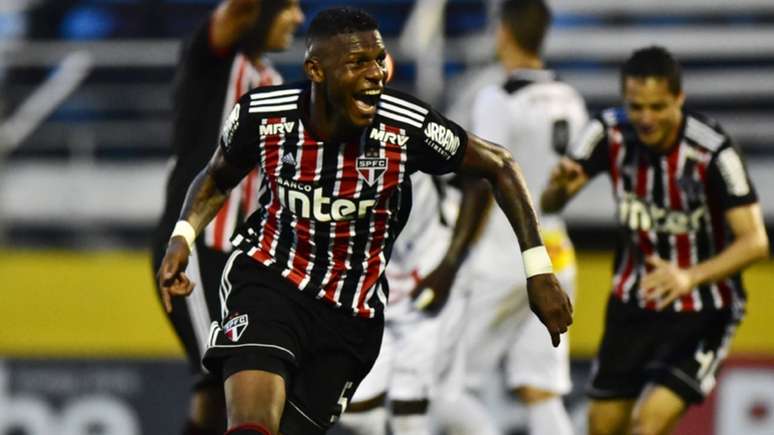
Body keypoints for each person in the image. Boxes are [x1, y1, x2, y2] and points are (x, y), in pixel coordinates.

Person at [157, 7, 572, 435]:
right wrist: (182, 237)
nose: (376, 73)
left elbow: (499, 165)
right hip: (269, 280)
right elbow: (215, 177)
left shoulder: (405, 126)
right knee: (252, 423)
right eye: (358, 63)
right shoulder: (264, 115)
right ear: (315, 70)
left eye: (379, 59)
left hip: (350, 310)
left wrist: (537, 270)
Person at [541, 46, 770, 435]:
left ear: (679, 98)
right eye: (636, 106)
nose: (646, 118)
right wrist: (557, 189)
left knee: (648, 427)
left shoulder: (712, 149)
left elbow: (755, 242)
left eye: (657, 107)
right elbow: (551, 202)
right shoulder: (607, 131)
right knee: (602, 428)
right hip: (633, 303)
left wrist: (689, 277)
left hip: (702, 309)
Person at [150, 1, 304, 434]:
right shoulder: (213, 62)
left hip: (239, 255)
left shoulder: (273, 83)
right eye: (288, 7)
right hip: (195, 244)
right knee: (232, 375)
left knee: (218, 390)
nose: (297, 17)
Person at [448, 1, 586, 434]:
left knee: (444, 383)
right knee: (540, 390)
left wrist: (452, 256)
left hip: (501, 253)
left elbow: (487, 181)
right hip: (557, 251)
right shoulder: (570, 97)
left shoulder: (498, 97)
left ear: (503, 31)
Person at [340, 171, 490, 435]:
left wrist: (449, 266)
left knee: (413, 412)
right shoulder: (328, 142)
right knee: (355, 413)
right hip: (376, 283)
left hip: (429, 272)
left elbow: (477, 181)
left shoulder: (416, 133)